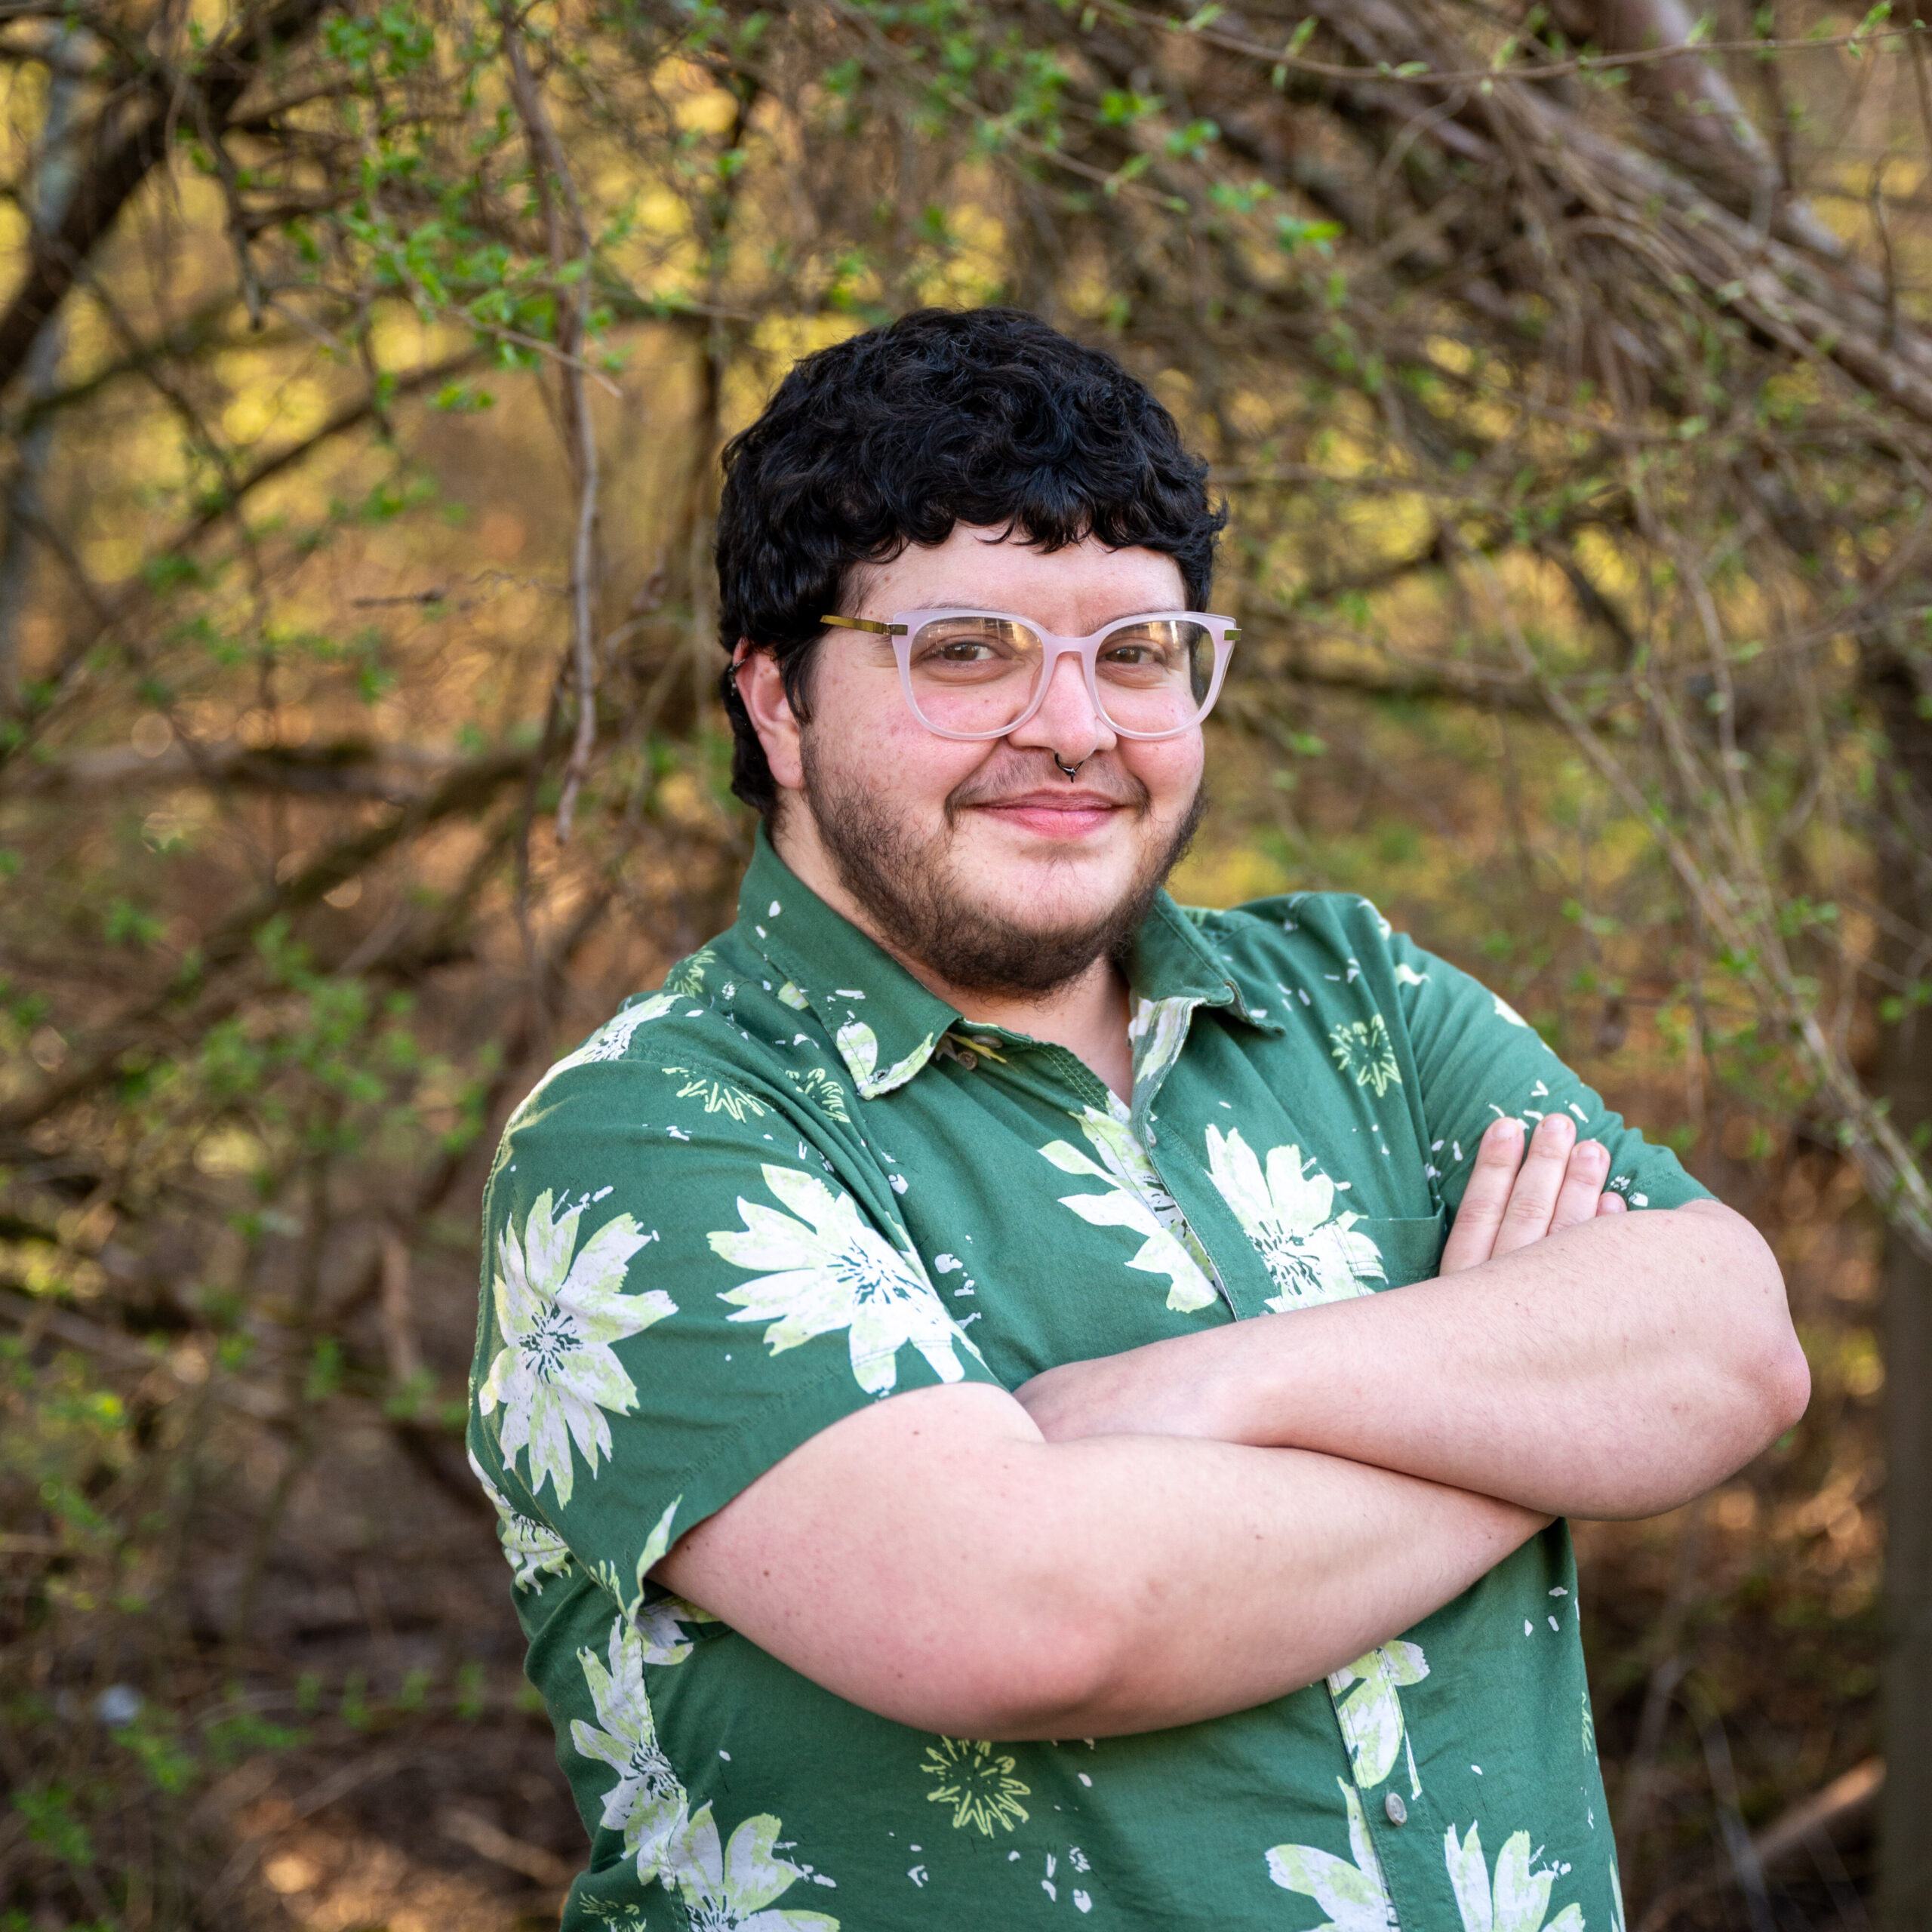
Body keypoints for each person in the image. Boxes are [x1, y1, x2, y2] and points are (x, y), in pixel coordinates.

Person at [466, 307, 1808, 1932]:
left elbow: (1728, 1348)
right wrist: (1524, 1408)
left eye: (1135, 653)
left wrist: (1218, 1385)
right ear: (775, 703)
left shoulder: (1356, 1000)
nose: (1075, 727)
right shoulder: (650, 1132)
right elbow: (1030, 1614)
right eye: (964, 649)